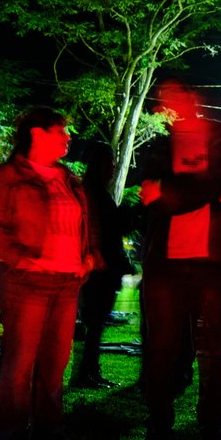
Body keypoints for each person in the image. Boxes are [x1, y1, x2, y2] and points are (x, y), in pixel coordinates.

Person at [0, 108, 96, 440]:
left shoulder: (67, 178)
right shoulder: (7, 176)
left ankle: (49, 428)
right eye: (61, 131)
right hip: (26, 281)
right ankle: (8, 434)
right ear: (37, 134)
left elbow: (83, 224)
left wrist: (88, 256)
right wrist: (24, 259)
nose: (68, 137)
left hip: (67, 281)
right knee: (20, 361)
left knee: (56, 360)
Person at [136, 79, 221, 440]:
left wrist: (168, 191)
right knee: (161, 348)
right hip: (164, 264)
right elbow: (151, 194)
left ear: (193, 97)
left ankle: (212, 424)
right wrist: (208, 192)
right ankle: (159, 423)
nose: (168, 104)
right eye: (163, 98)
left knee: (211, 349)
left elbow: (215, 182)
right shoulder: (158, 144)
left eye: (174, 96)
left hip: (209, 263)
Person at [70, 142, 132, 389]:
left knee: (95, 324)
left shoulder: (96, 193)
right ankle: (87, 373)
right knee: (95, 324)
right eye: (110, 162)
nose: (114, 167)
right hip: (98, 269)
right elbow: (99, 229)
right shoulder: (94, 194)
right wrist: (97, 257)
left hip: (101, 268)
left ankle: (90, 371)